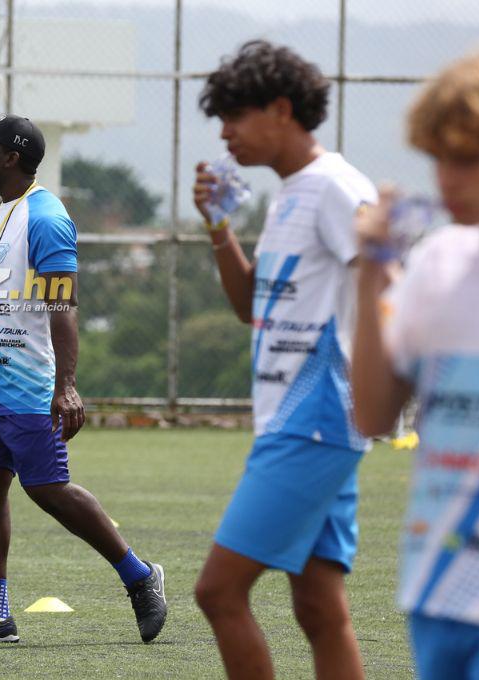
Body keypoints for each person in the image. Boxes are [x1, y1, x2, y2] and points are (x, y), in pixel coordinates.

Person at [0, 115, 167, 644]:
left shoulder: (47, 217)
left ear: (11, 157)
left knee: (49, 488)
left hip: (29, 384)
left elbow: (63, 306)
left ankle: (140, 577)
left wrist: (67, 385)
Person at [191, 40, 373, 680]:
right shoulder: (290, 195)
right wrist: (218, 227)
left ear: (281, 109)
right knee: (320, 607)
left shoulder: (335, 188)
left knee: (218, 592)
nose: (224, 132)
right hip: (304, 420)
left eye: (235, 114)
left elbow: (387, 276)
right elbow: (250, 306)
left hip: (316, 418)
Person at [352, 44, 479, 679]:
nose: (447, 178)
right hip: (437, 591)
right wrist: (370, 277)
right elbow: (373, 414)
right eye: (438, 159)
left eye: (470, 159)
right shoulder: (437, 260)